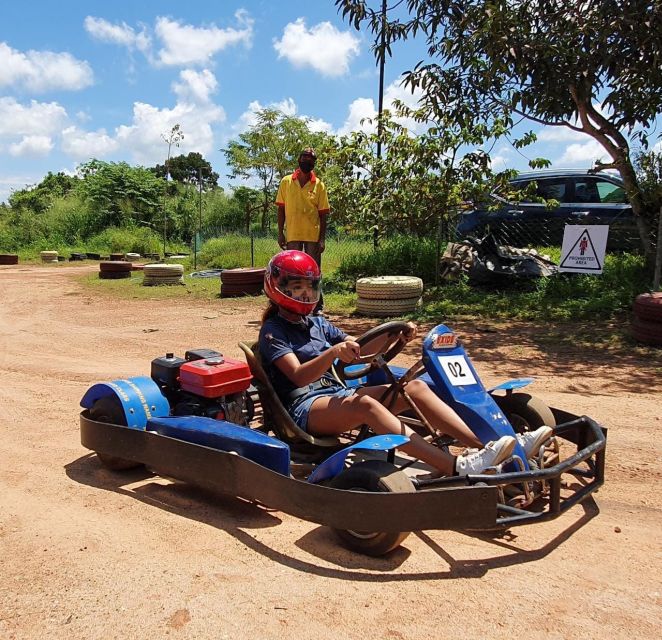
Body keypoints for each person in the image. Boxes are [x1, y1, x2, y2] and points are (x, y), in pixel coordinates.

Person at [259, 250, 553, 477]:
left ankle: (490, 447)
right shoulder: (273, 330)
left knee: (413, 387)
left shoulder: (318, 324)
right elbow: (297, 377)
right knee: (366, 405)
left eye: (310, 286)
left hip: (333, 396)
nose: (306, 294)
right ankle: (456, 466)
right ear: (278, 287)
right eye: (297, 287)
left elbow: (360, 351)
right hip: (303, 408)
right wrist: (333, 353)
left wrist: (393, 333)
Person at [275, 148, 329, 315]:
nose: (307, 161)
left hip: (312, 236)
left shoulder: (319, 185)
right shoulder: (286, 182)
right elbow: (281, 209)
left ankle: (317, 306)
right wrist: (280, 232)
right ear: (299, 159)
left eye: (311, 159)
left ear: (314, 163)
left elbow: (323, 214)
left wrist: (321, 239)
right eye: (304, 157)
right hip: (292, 235)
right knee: (291, 270)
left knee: (313, 271)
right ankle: (289, 305)